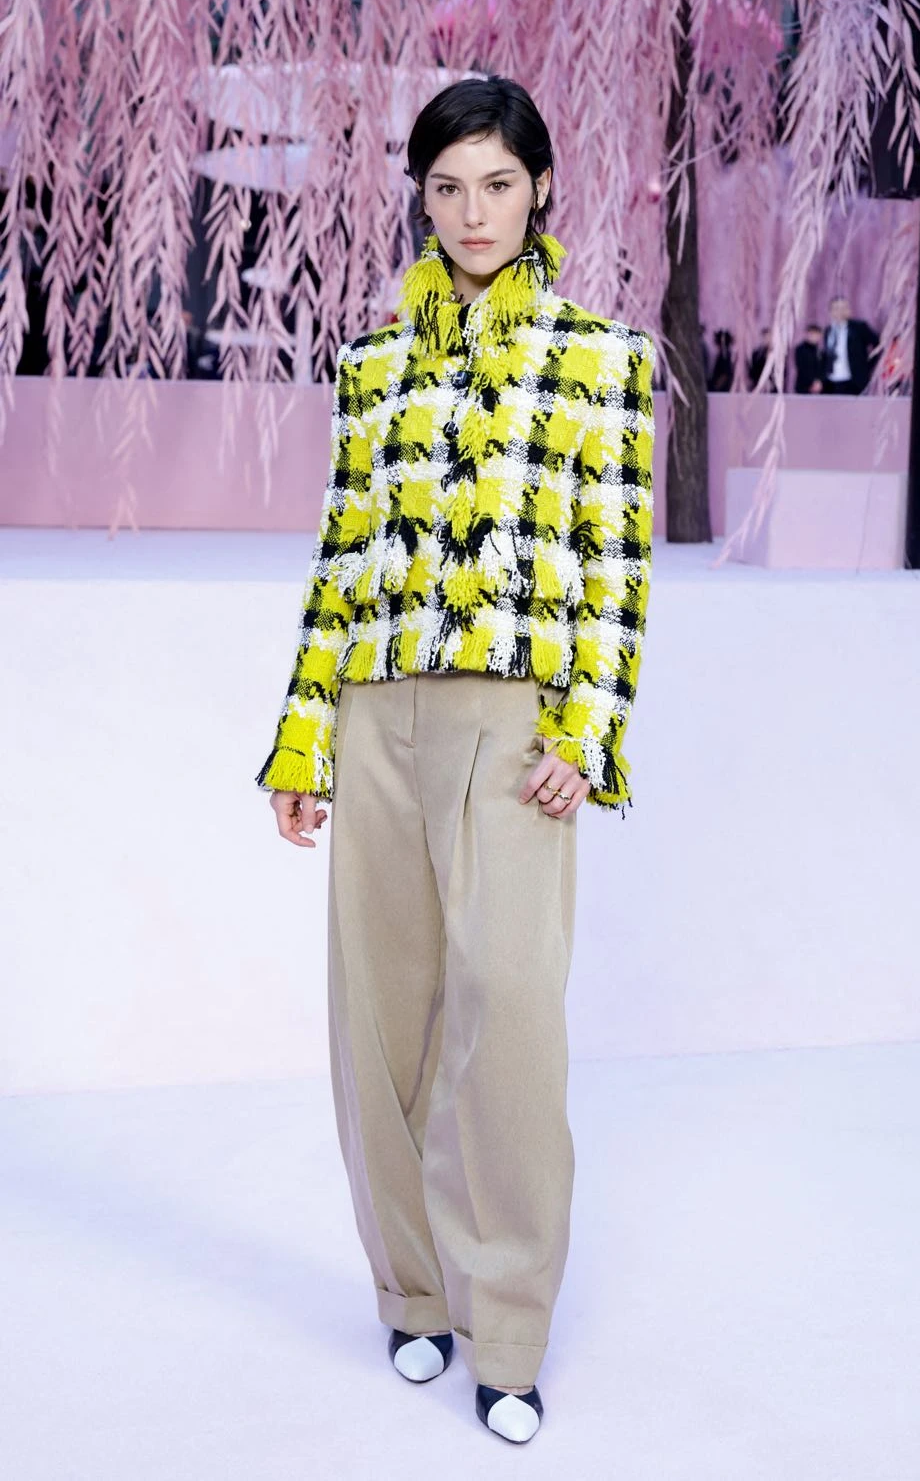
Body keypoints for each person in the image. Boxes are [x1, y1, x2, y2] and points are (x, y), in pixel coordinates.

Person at [256, 76, 654, 1446]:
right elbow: (340, 563)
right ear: (419, 200)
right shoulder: (372, 365)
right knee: (381, 1022)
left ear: (539, 188)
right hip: (376, 714)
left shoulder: (602, 358)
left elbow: (614, 564)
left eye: (495, 183)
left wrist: (587, 735)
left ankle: (512, 1330)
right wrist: (304, 739)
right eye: (445, 188)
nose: (472, 212)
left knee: (510, 1019)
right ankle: (413, 1294)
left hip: (513, 725)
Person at [822, 295, 879, 395]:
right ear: (830, 312)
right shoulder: (828, 330)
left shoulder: (859, 327)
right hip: (831, 381)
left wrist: (867, 367)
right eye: (836, 308)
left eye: (843, 308)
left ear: (849, 310)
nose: (840, 312)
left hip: (853, 381)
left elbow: (878, 345)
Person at [793, 323, 824, 394]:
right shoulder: (800, 349)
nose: (814, 337)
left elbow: (822, 368)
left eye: (816, 334)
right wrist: (813, 382)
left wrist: (819, 381)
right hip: (803, 385)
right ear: (807, 334)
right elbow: (801, 367)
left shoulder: (820, 350)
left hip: (819, 387)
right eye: (811, 334)